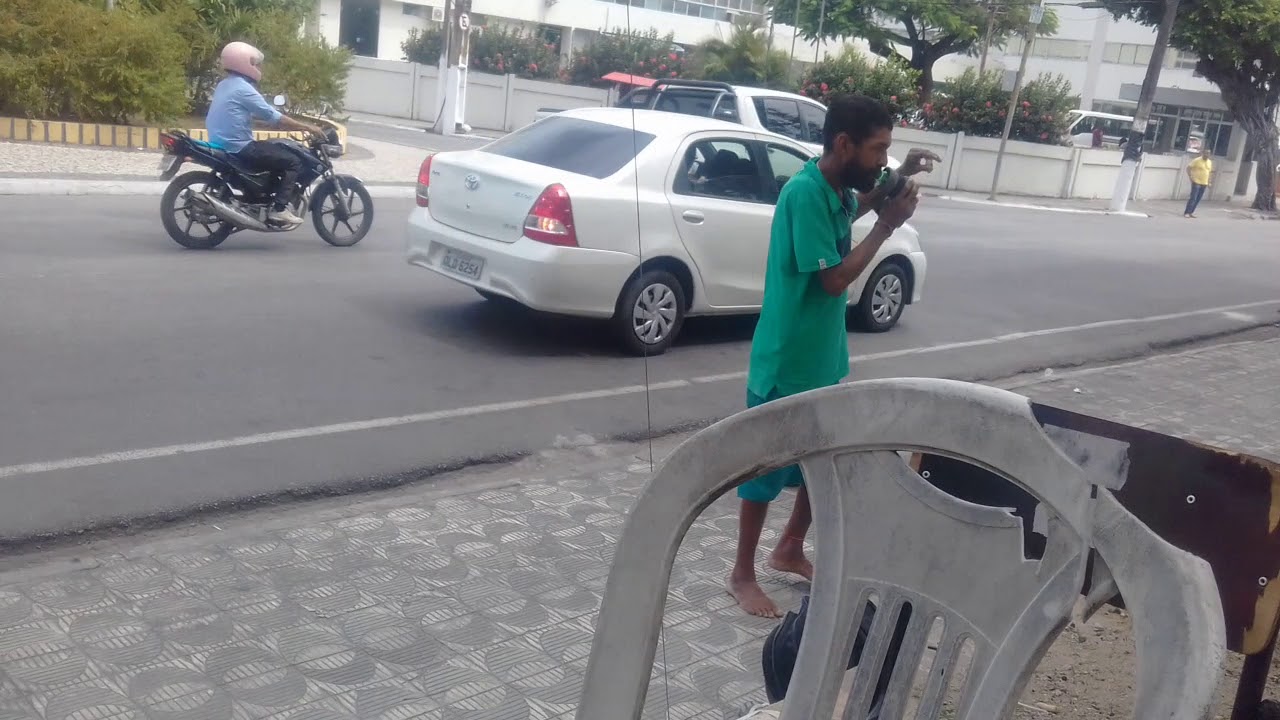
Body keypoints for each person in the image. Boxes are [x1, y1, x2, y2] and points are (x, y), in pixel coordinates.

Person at [726, 94, 941, 618]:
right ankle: (741, 573)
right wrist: (889, 226)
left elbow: (857, 207)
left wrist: (897, 178)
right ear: (843, 144)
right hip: (785, 360)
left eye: (889, 152)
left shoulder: (834, 187)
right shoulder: (803, 193)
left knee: (823, 460)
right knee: (763, 471)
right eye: (878, 151)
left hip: (822, 356)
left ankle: (790, 547)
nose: (883, 162)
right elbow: (833, 280)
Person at [206, 41, 323, 225]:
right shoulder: (244, 89)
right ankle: (279, 209)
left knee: (273, 150)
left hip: (221, 143)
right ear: (245, 63)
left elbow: (243, 113)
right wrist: (308, 127)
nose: (258, 67)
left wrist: (269, 123)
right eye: (255, 63)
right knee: (293, 161)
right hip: (240, 147)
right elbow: (274, 116)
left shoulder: (224, 85)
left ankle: (263, 197)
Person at [1184, 147, 1213, 218]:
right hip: (1196, 182)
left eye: (1209, 153)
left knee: (1198, 199)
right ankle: (1187, 212)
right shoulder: (1197, 160)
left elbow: (1209, 172)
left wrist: (1209, 182)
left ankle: (1191, 212)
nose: (1207, 154)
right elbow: (1188, 168)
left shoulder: (1209, 162)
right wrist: (1191, 177)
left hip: (1204, 183)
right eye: (1206, 153)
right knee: (1193, 197)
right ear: (1203, 153)